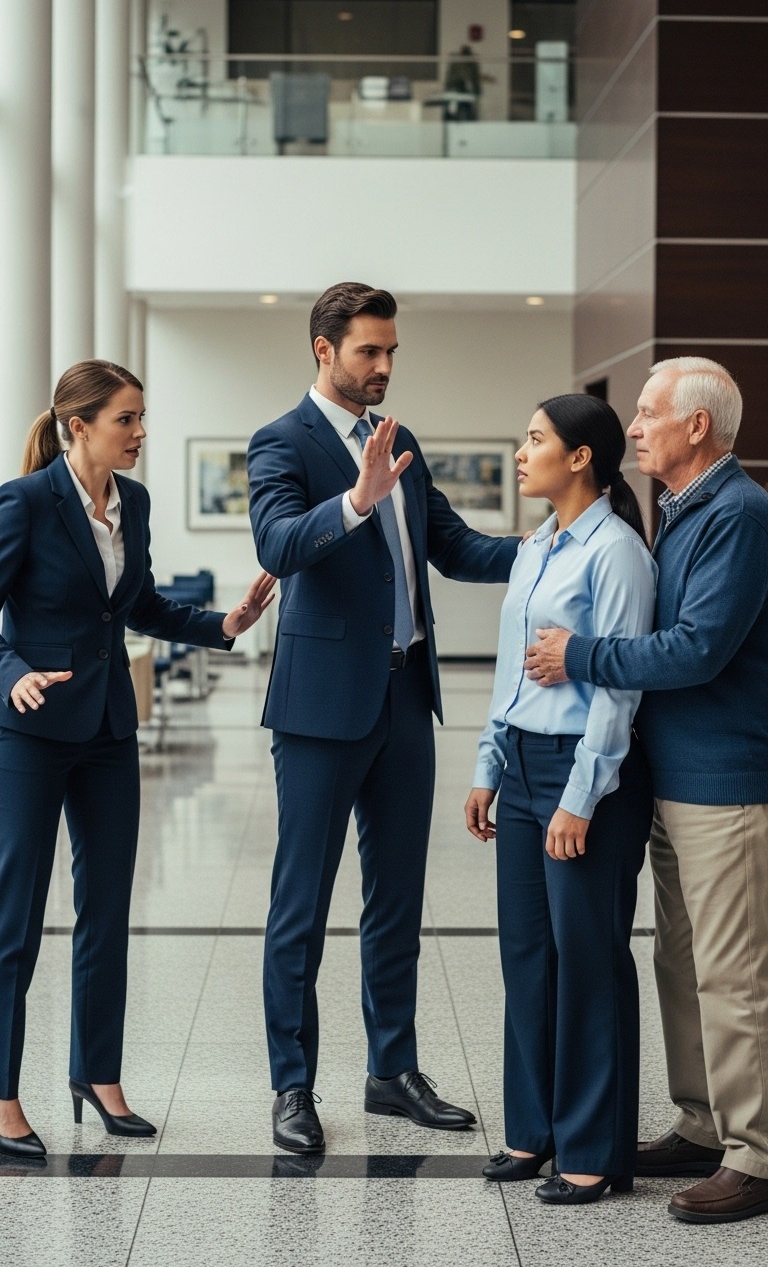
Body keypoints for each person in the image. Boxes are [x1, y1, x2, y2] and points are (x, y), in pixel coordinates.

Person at [247, 282, 518, 1153]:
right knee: (302, 903)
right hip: (321, 710)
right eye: (370, 351)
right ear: (323, 349)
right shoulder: (280, 443)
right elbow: (279, 545)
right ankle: (292, 1086)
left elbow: (457, 547)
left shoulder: (400, 445)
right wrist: (358, 502)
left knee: (397, 900)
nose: (385, 366)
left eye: (392, 351)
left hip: (406, 697)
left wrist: (562, 544)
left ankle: (390, 1071)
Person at [0, 360, 275, 1160]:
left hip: (110, 730)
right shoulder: (23, 504)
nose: (142, 432)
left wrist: (223, 624)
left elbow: (143, 604)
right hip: (30, 733)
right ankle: (5, 1097)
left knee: (108, 911)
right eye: (128, 419)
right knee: (14, 923)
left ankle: (99, 1075)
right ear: (78, 427)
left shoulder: (135, 505)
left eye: (143, 417)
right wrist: (12, 674)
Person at [524, 357, 768, 1224]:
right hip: (674, 779)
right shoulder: (683, 509)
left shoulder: (738, 513)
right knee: (682, 961)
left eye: (648, 413)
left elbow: (698, 647)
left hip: (725, 781)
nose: (632, 427)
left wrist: (579, 654)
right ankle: (703, 1124)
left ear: (696, 427)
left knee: (732, 973)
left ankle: (756, 1150)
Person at [465, 393, 656, 1204]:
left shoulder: (615, 552)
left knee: (589, 961)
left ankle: (592, 1149)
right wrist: (487, 766)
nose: (522, 451)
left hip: (590, 777)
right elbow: (512, 669)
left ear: (581, 457)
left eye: (535, 438)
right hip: (523, 767)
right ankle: (531, 1133)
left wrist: (581, 796)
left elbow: (618, 688)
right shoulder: (538, 544)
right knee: (527, 958)